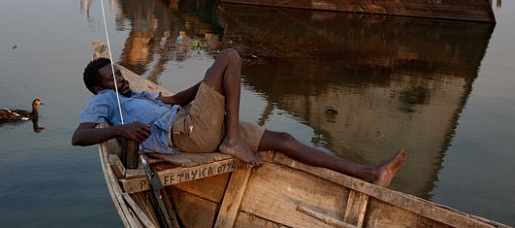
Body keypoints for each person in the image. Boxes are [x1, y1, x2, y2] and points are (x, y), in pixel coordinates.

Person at [72, 49, 406, 187]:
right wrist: (121, 128)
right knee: (229, 55)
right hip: (187, 134)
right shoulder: (105, 102)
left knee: (284, 141)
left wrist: (207, 80)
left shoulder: (138, 95)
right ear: (99, 87)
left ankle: (370, 173)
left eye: (119, 73)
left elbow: (176, 99)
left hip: (196, 121)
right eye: (113, 78)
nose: (121, 79)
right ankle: (233, 139)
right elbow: (79, 136)